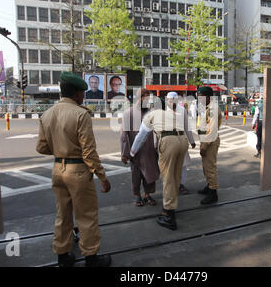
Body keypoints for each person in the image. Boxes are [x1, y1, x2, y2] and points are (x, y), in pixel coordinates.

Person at [36, 71, 112, 267]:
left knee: (63, 214)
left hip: (57, 170)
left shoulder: (47, 114)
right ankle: (91, 258)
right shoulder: (81, 114)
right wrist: (102, 176)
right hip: (78, 171)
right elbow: (89, 152)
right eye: (82, 93)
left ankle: (63, 255)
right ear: (77, 94)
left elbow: (41, 147)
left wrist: (61, 149)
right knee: (86, 215)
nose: (83, 96)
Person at [129, 92, 196, 230]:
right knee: (175, 177)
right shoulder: (170, 113)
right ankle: (172, 206)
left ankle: (169, 215)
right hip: (182, 141)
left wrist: (132, 152)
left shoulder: (151, 115)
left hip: (169, 142)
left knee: (168, 178)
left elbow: (141, 136)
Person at [121, 88, 159, 207]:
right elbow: (123, 135)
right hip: (135, 151)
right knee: (136, 175)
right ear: (140, 98)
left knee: (150, 174)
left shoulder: (151, 113)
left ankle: (148, 195)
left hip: (150, 150)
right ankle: (137, 196)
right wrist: (125, 153)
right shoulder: (128, 113)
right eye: (146, 98)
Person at [197, 86, 222, 205]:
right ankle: (209, 185)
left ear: (207, 97)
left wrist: (205, 146)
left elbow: (212, 130)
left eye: (200, 96)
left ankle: (213, 192)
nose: (198, 98)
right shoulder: (208, 107)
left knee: (210, 167)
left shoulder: (213, 108)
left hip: (210, 142)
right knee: (206, 166)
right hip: (206, 140)